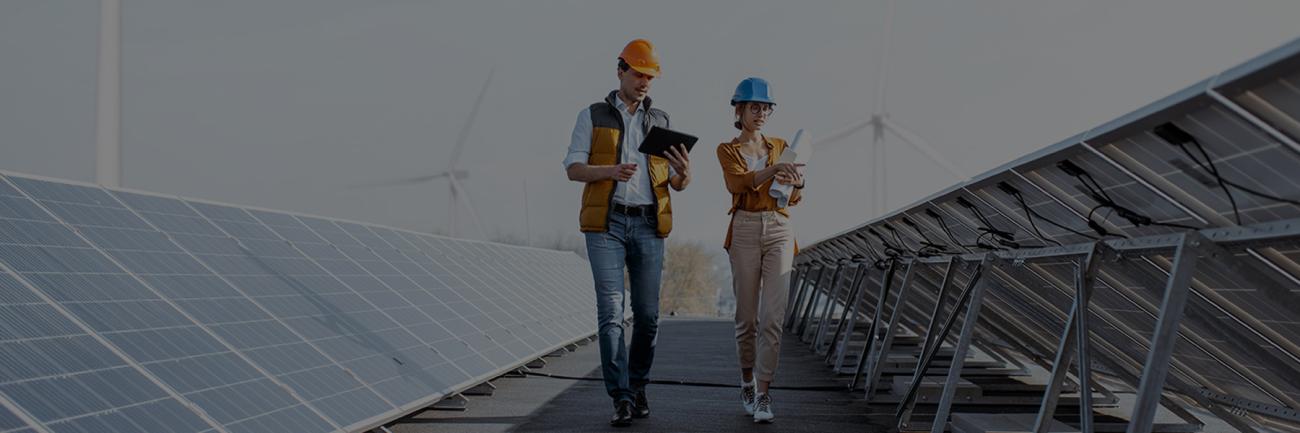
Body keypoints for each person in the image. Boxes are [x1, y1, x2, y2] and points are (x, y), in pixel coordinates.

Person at [563, 38, 692, 427]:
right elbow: (573, 168)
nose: (645, 82)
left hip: (649, 223)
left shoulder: (661, 121)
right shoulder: (593, 115)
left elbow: (675, 181)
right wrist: (609, 172)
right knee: (611, 312)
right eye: (639, 74)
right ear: (620, 71)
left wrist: (685, 173)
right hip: (607, 223)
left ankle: (637, 387)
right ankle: (619, 395)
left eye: (650, 76)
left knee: (649, 316)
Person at [715, 77, 804, 424]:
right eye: (755, 107)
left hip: (780, 226)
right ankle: (747, 380)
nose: (761, 113)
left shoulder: (782, 145)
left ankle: (765, 394)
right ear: (739, 110)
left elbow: (795, 196)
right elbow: (737, 183)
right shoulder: (727, 149)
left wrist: (795, 183)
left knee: (773, 319)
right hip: (745, 229)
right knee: (747, 319)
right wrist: (773, 170)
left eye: (766, 107)